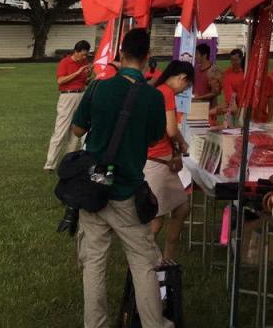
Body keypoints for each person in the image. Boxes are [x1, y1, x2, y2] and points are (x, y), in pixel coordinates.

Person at [71, 27, 172, 328]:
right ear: (147, 59)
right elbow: (155, 137)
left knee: (94, 262)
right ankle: (155, 324)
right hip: (127, 190)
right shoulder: (153, 97)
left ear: (121, 55)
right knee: (143, 262)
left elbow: (77, 130)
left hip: (94, 190)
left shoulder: (99, 88)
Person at [145, 60, 194, 264]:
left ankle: (168, 256)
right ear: (182, 78)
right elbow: (172, 130)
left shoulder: (156, 89)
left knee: (182, 206)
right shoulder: (166, 93)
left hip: (159, 159)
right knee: (156, 218)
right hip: (157, 160)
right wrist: (182, 144)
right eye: (187, 86)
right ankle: (144, 260)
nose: (185, 90)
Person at [44, 40, 93, 171]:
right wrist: (77, 73)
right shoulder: (65, 62)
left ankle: (68, 163)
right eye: (82, 54)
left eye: (86, 55)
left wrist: (88, 75)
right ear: (76, 52)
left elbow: (85, 82)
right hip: (67, 96)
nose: (84, 57)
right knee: (61, 130)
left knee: (76, 131)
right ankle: (50, 164)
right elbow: (60, 81)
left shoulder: (84, 63)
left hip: (81, 94)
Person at [221, 48, 245, 112]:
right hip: (232, 107)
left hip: (245, 106)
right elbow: (228, 92)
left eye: (236, 60)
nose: (233, 62)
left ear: (241, 59)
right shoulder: (226, 73)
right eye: (232, 60)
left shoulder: (246, 73)